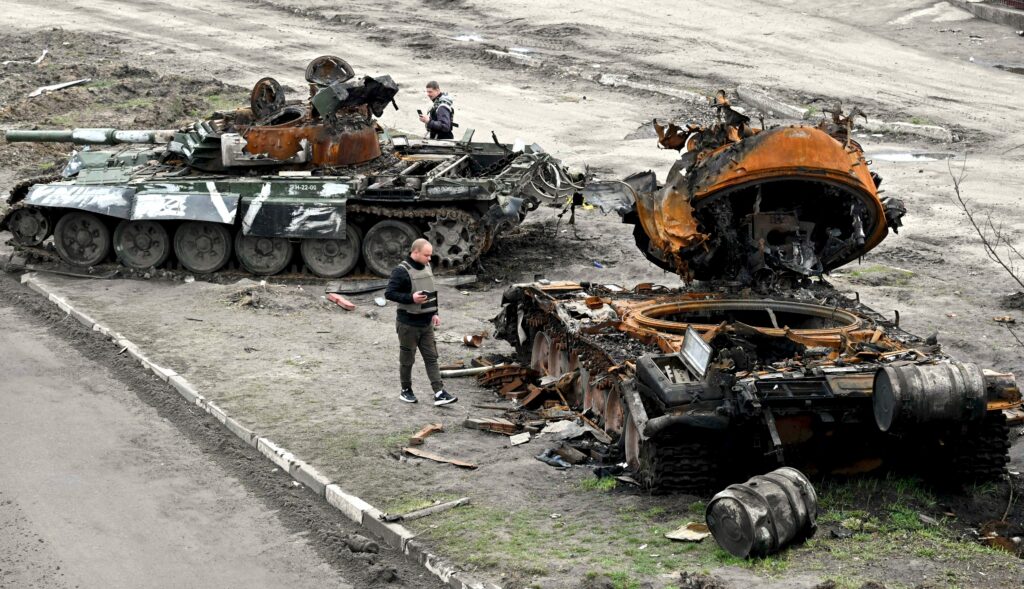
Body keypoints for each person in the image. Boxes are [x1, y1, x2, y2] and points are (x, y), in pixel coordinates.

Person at [384, 238, 458, 406]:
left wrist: (435, 313)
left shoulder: (427, 266)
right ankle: (406, 390)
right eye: (426, 255)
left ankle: (439, 393)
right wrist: (411, 298)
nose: (429, 258)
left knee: (432, 358)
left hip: (426, 324)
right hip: (408, 324)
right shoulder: (401, 271)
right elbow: (389, 293)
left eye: (430, 255)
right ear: (415, 252)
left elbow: (431, 293)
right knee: (407, 360)